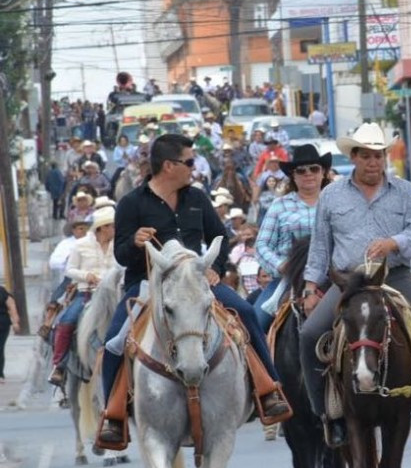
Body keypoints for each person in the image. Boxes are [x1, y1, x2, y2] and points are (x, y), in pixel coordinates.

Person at [95, 133, 291, 449]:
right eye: (189, 162)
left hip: (197, 283)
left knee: (246, 312)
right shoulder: (132, 203)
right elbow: (120, 254)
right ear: (168, 166)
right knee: (114, 341)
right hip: (147, 284)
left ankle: (269, 389)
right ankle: (113, 415)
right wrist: (135, 242)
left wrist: (216, 268)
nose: (194, 167)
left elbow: (219, 237)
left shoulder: (197, 198)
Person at [299, 124, 411, 447]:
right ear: (354, 157)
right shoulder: (331, 195)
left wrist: (394, 242)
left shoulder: (405, 191)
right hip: (349, 282)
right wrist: (311, 287)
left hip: (394, 277)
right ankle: (328, 415)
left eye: (379, 155)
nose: (374, 162)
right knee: (310, 333)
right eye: (367, 156)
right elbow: (320, 246)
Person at [253, 144, 329, 330]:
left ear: (323, 173)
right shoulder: (279, 205)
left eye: (314, 169)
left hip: (329, 277)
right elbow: (262, 245)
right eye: (301, 170)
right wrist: (282, 265)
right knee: (255, 324)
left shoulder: (336, 204)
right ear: (293, 176)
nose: (308, 174)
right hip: (288, 279)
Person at [48, 206, 117, 387]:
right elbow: (69, 269)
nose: (115, 229)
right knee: (66, 322)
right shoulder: (80, 245)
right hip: (87, 293)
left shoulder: (118, 245)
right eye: (112, 226)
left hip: (112, 293)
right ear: (102, 228)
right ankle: (59, 366)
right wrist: (87, 276)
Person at [0, 283, 17, 384]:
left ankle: (0, 374)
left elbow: (12, 306)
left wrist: (15, 322)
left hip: (2, 325)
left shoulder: (2, 292)